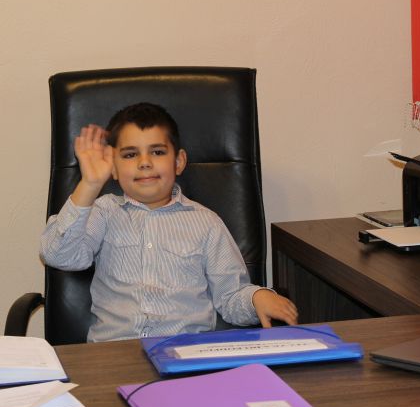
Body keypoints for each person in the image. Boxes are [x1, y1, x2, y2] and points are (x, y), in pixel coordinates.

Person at [40, 102, 298, 342]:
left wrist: (257, 298)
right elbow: (57, 255)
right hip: (114, 353)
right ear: (114, 168)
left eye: (157, 152)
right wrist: (90, 184)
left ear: (178, 161)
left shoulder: (206, 223)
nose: (144, 163)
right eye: (130, 155)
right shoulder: (104, 211)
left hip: (186, 352)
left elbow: (230, 296)